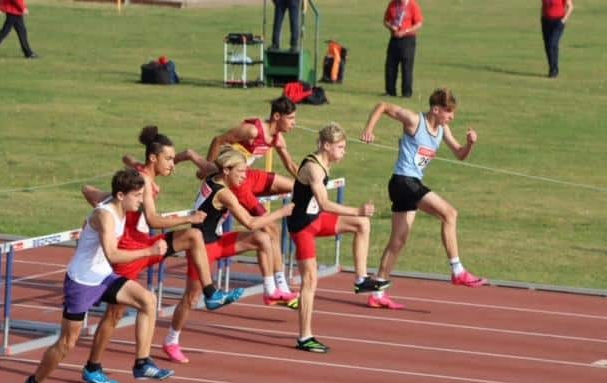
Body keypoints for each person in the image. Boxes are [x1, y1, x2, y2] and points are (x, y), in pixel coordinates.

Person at [79, 126, 241, 383]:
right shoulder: (143, 180)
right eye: (169, 159)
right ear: (154, 159)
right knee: (114, 315)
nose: (172, 165)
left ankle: (211, 293)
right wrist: (189, 217)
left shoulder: (142, 173)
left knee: (193, 237)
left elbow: (132, 163)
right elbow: (153, 219)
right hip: (131, 251)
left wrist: (129, 164)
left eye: (173, 159)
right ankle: (93, 367)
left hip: (147, 244)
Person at [23, 169, 174, 383]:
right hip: (81, 283)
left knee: (148, 300)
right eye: (137, 196)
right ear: (121, 195)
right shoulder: (106, 215)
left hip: (103, 276)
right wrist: (149, 251)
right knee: (67, 343)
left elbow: (88, 191)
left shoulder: (116, 202)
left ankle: (142, 363)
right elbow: (112, 254)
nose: (141, 201)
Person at [360, 88, 488, 310]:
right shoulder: (414, 121)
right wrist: (369, 130)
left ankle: (377, 292)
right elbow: (383, 106)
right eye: (448, 112)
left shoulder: (442, 129)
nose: (452, 117)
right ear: (436, 109)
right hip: (404, 181)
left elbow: (459, 154)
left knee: (398, 241)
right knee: (450, 214)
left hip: (409, 185)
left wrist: (470, 144)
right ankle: (457, 270)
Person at [161, 148, 294, 363]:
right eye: (240, 172)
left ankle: (271, 290)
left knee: (262, 239)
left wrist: (172, 163)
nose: (244, 176)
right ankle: (171, 341)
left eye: (245, 171)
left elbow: (191, 154)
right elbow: (250, 222)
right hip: (201, 249)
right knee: (191, 298)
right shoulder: (225, 194)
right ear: (226, 171)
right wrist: (282, 212)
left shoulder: (212, 171)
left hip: (218, 242)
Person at [287, 123, 389, 353]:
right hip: (302, 227)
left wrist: (358, 215)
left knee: (362, 224)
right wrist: (357, 210)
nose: (344, 151)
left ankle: (361, 279)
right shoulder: (314, 168)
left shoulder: (325, 163)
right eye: (341, 147)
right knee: (310, 281)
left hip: (315, 220)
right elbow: (324, 203)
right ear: (326, 145)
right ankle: (305, 337)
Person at [206, 96, 300, 307]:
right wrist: (208, 169)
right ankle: (278, 288)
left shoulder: (278, 139)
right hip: (238, 183)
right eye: (291, 118)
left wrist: (314, 182)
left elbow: (292, 167)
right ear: (277, 116)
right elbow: (219, 140)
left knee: (296, 187)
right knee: (272, 228)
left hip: (249, 175)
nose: (294, 123)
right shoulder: (252, 131)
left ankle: (278, 286)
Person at [383, 0, 423, 98]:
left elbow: (419, 23)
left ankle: (406, 93)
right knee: (390, 65)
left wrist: (405, 31)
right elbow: (386, 20)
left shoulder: (412, 5)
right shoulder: (393, 4)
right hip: (394, 38)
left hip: (407, 39)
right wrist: (391, 27)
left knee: (406, 67)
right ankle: (390, 91)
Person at [541, 0, 574, 78]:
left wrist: (563, 20)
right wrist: (542, 17)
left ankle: (554, 70)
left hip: (558, 22)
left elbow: (570, 7)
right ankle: (551, 68)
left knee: (553, 44)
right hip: (546, 21)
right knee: (547, 46)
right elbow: (543, 6)